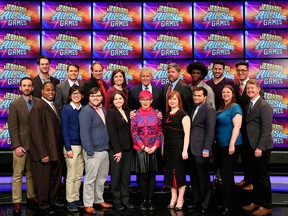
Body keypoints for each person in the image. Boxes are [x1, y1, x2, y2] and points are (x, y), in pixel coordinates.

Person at [29, 82, 63, 215]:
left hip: (56, 151)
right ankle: (43, 205)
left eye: (53, 90)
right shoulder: (37, 107)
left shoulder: (55, 106)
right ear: (42, 91)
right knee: (43, 181)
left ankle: (51, 202)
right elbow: (36, 133)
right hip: (44, 153)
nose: (51, 92)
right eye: (48, 90)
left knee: (54, 179)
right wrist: (43, 153)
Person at [8, 77, 40, 214]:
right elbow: (13, 127)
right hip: (21, 146)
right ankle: (17, 201)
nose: (27, 88)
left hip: (36, 147)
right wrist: (16, 146)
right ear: (20, 88)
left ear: (32, 88)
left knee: (31, 174)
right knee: (17, 175)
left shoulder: (39, 102)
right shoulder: (15, 104)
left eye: (29, 85)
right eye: (24, 86)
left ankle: (31, 198)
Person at [79, 87, 112, 215]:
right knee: (90, 179)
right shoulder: (86, 112)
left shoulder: (103, 109)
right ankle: (88, 203)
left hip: (104, 149)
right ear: (89, 98)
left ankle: (99, 200)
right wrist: (89, 150)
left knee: (101, 178)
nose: (96, 98)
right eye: (93, 96)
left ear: (102, 97)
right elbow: (84, 133)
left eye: (98, 96)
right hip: (93, 151)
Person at [242, 79, 273, 216]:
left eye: (252, 88)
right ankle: (257, 202)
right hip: (251, 146)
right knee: (254, 177)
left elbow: (267, 129)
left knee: (262, 177)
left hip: (261, 147)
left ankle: (267, 206)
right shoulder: (249, 104)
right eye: (248, 89)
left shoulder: (264, 105)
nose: (249, 91)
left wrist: (259, 147)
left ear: (258, 89)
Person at [234, 61, 264, 191]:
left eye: (243, 70)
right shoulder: (235, 87)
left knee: (253, 158)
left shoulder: (254, 87)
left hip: (252, 129)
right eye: (238, 70)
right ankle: (247, 179)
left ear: (248, 71)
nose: (241, 72)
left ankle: (253, 181)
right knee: (245, 156)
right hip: (239, 127)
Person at [130, 90, 162, 211]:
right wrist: (143, 147)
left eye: (147, 100)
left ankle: (150, 199)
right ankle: (144, 200)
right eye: (143, 100)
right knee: (143, 175)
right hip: (140, 148)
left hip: (154, 148)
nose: (145, 102)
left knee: (152, 175)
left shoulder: (156, 114)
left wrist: (155, 146)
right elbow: (134, 132)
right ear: (139, 100)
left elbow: (160, 131)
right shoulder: (135, 115)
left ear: (151, 100)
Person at [215, 85, 242, 215]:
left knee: (227, 174)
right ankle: (225, 202)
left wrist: (231, 144)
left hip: (232, 145)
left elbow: (237, 127)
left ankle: (229, 205)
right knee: (223, 174)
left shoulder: (235, 107)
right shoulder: (221, 107)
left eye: (228, 92)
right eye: (223, 92)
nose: (225, 94)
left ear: (232, 94)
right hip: (220, 146)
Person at [188, 87, 216, 214]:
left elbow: (210, 131)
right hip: (191, 149)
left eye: (199, 96)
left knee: (203, 178)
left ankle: (205, 204)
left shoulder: (209, 109)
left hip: (201, 149)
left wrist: (206, 148)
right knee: (194, 177)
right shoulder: (194, 108)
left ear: (205, 97)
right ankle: (197, 201)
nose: (196, 97)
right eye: (195, 95)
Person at [106, 91, 134, 211]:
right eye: (116, 99)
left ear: (124, 99)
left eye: (120, 98)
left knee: (126, 177)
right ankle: (117, 201)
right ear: (112, 101)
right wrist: (117, 150)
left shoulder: (128, 111)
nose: (118, 101)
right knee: (116, 177)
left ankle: (125, 200)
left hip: (128, 149)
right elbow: (112, 133)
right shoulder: (111, 113)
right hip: (117, 150)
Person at [163, 91, 191, 211]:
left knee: (179, 174)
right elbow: (164, 133)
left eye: (174, 99)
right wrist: (163, 148)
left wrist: (185, 150)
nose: (172, 101)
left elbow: (187, 134)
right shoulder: (167, 114)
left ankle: (181, 198)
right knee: (170, 174)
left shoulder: (184, 115)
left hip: (179, 148)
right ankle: (173, 197)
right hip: (168, 149)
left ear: (179, 101)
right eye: (170, 99)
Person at [61, 86, 84, 212]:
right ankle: (70, 200)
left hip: (83, 146)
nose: (76, 95)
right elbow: (64, 130)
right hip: (72, 147)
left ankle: (76, 198)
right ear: (70, 96)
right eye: (74, 93)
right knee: (71, 174)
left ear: (82, 96)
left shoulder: (84, 109)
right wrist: (68, 148)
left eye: (79, 93)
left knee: (79, 175)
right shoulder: (66, 110)